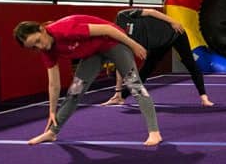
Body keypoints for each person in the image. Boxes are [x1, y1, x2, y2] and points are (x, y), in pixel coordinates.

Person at [14, 15, 162, 146]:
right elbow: (54, 84)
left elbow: (107, 29)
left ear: (41, 29)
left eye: (38, 40)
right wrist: (52, 111)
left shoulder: (65, 29)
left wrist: (134, 45)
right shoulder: (47, 50)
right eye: (34, 47)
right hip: (93, 53)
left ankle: (154, 132)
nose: (40, 46)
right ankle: (52, 132)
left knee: (135, 86)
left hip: (113, 43)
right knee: (74, 92)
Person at [99, 8, 213, 107]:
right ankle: (121, 97)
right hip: (158, 44)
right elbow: (121, 66)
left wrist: (173, 21)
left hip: (175, 34)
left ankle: (204, 97)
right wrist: (117, 91)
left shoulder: (122, 16)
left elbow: (151, 12)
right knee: (146, 70)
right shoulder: (122, 43)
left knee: (190, 64)